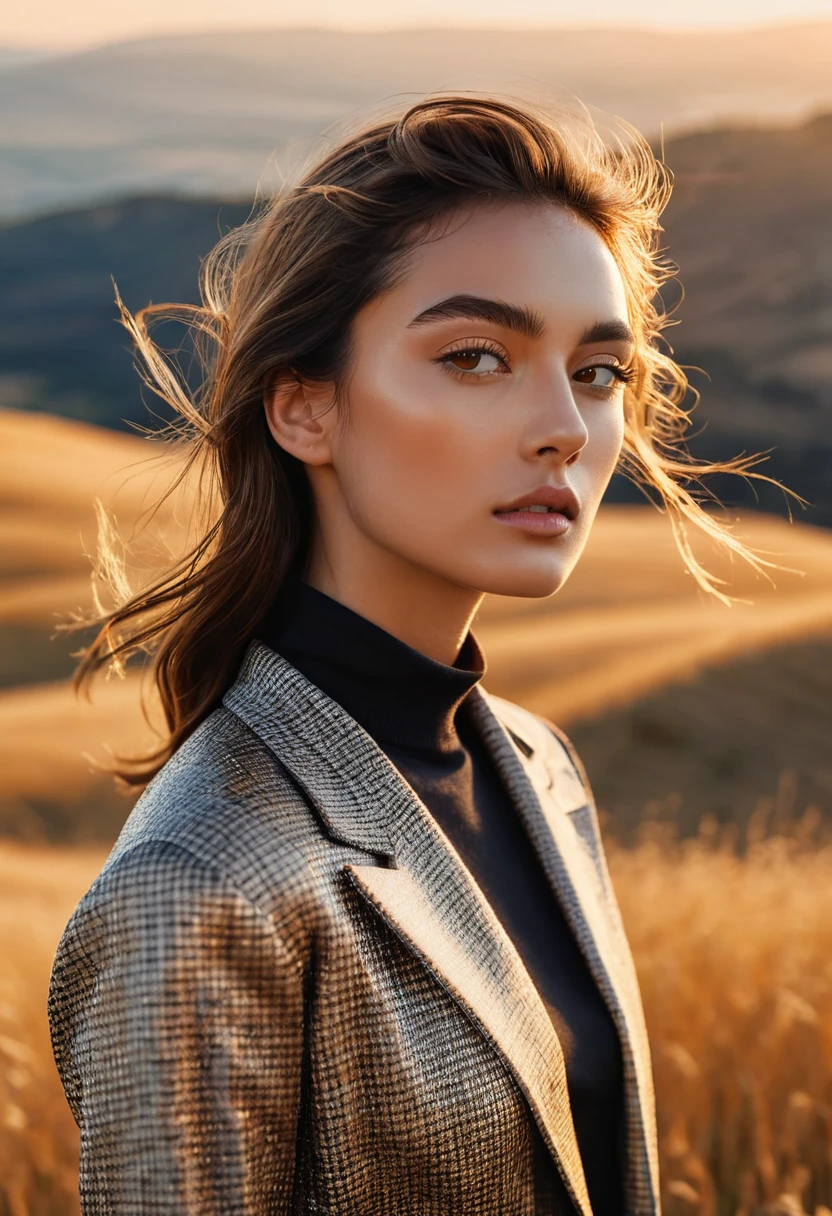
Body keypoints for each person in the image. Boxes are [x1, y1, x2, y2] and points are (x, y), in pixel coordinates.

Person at [47, 93, 789, 1215]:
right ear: (304, 407)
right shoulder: (197, 881)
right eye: (478, 356)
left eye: (597, 372)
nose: (564, 427)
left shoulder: (538, 768)